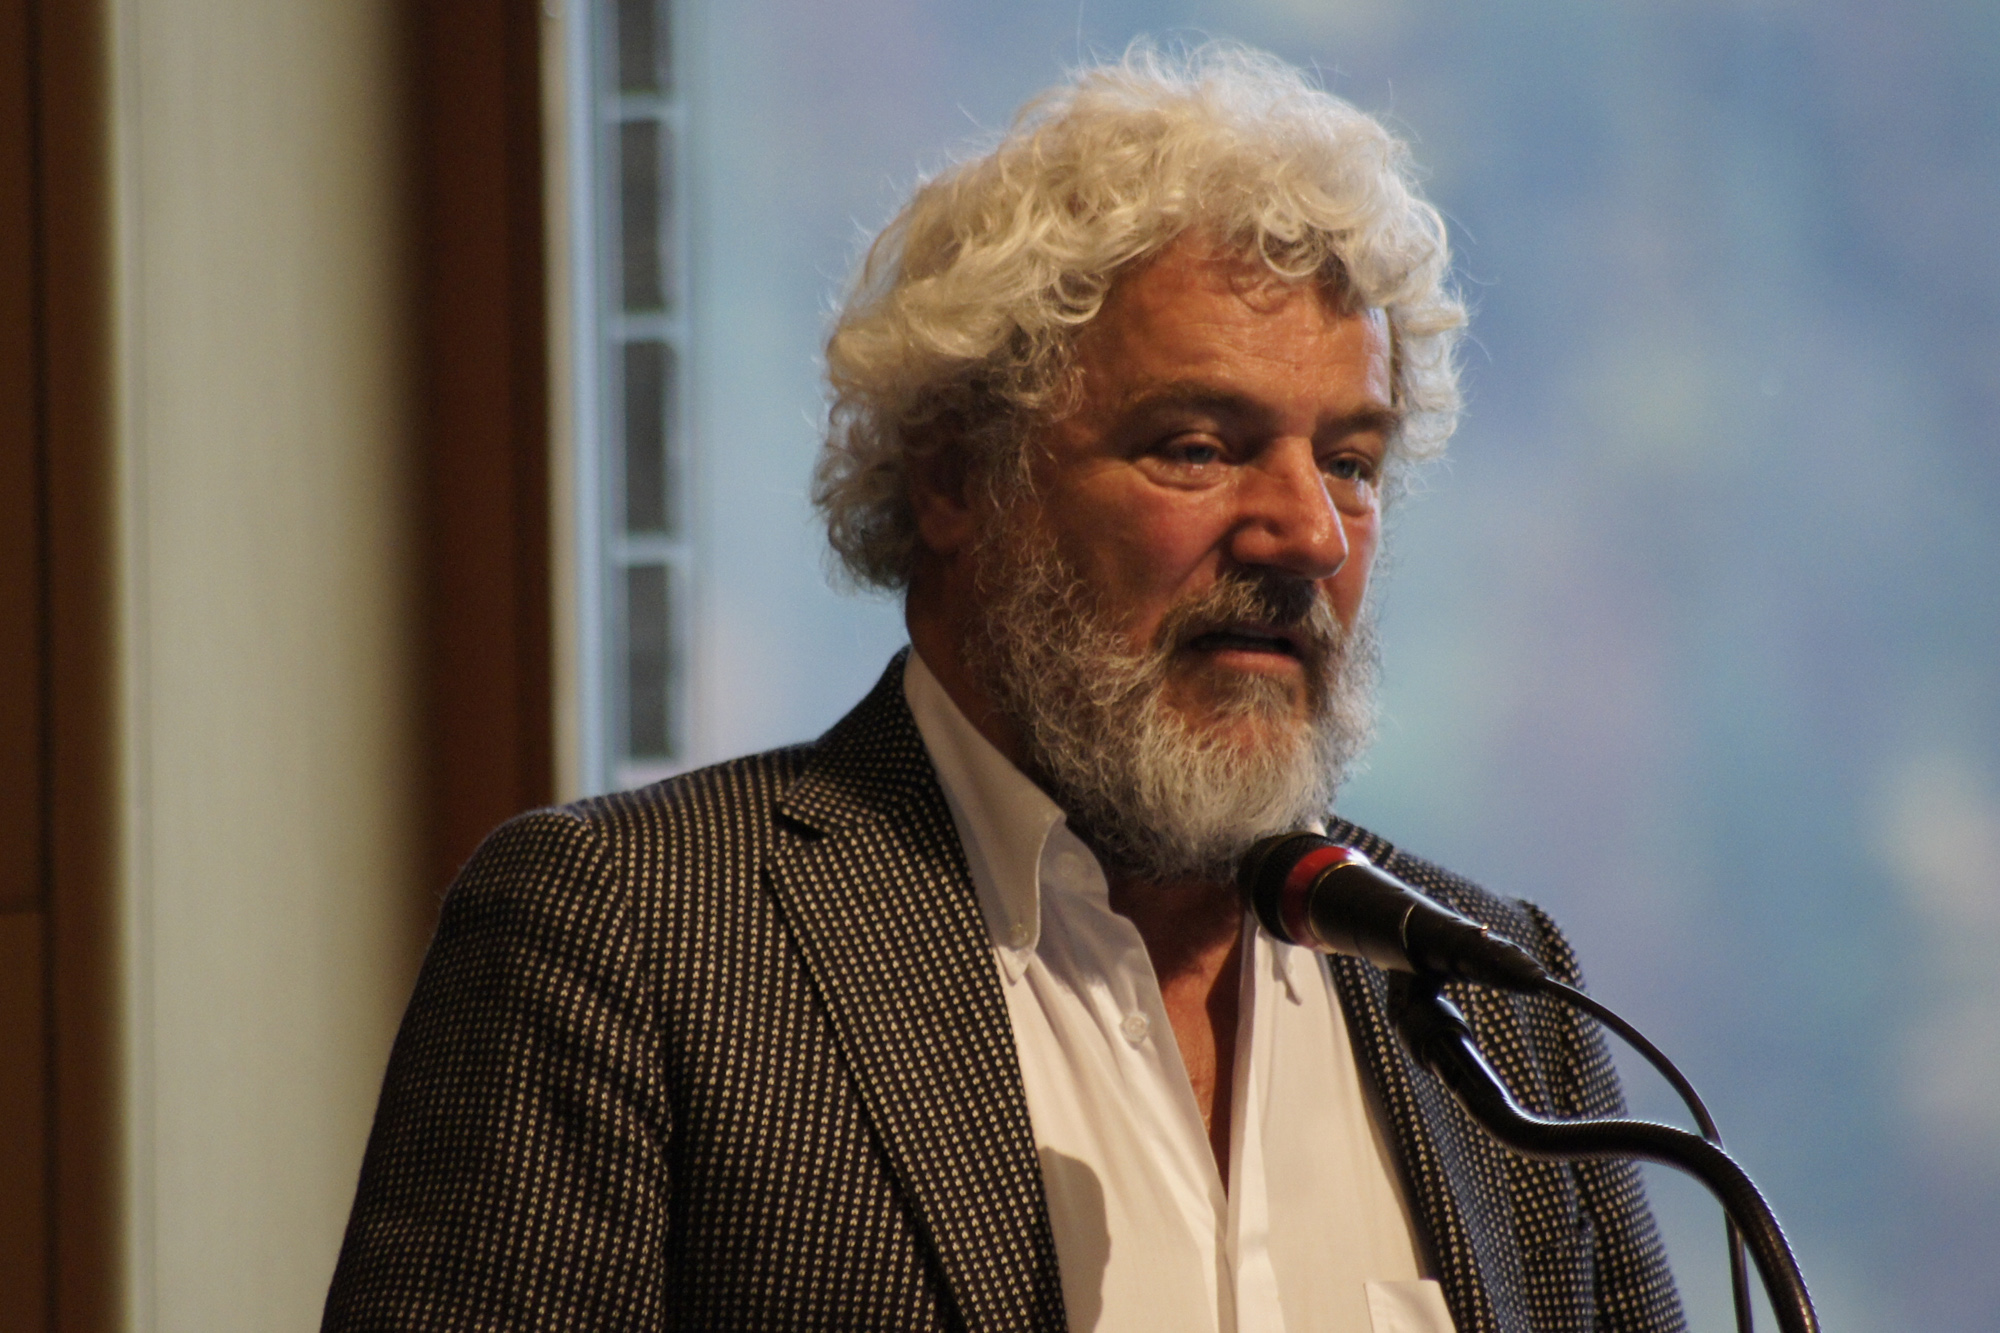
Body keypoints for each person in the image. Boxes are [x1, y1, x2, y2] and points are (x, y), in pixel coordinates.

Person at [324, 44, 1685, 1333]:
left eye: (1351, 463)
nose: (1309, 536)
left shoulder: (1498, 1000)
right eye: (1200, 446)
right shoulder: (631, 936)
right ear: (955, 477)